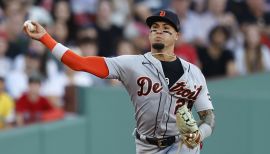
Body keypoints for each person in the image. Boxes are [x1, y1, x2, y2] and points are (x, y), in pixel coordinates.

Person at [24, 9, 215, 154]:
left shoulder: (194, 73)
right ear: (148, 34)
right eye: (154, 28)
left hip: (181, 145)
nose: (158, 32)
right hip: (146, 146)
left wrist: (200, 134)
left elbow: (208, 119)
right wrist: (46, 38)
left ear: (176, 36)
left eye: (166, 29)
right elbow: (79, 63)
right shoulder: (131, 64)